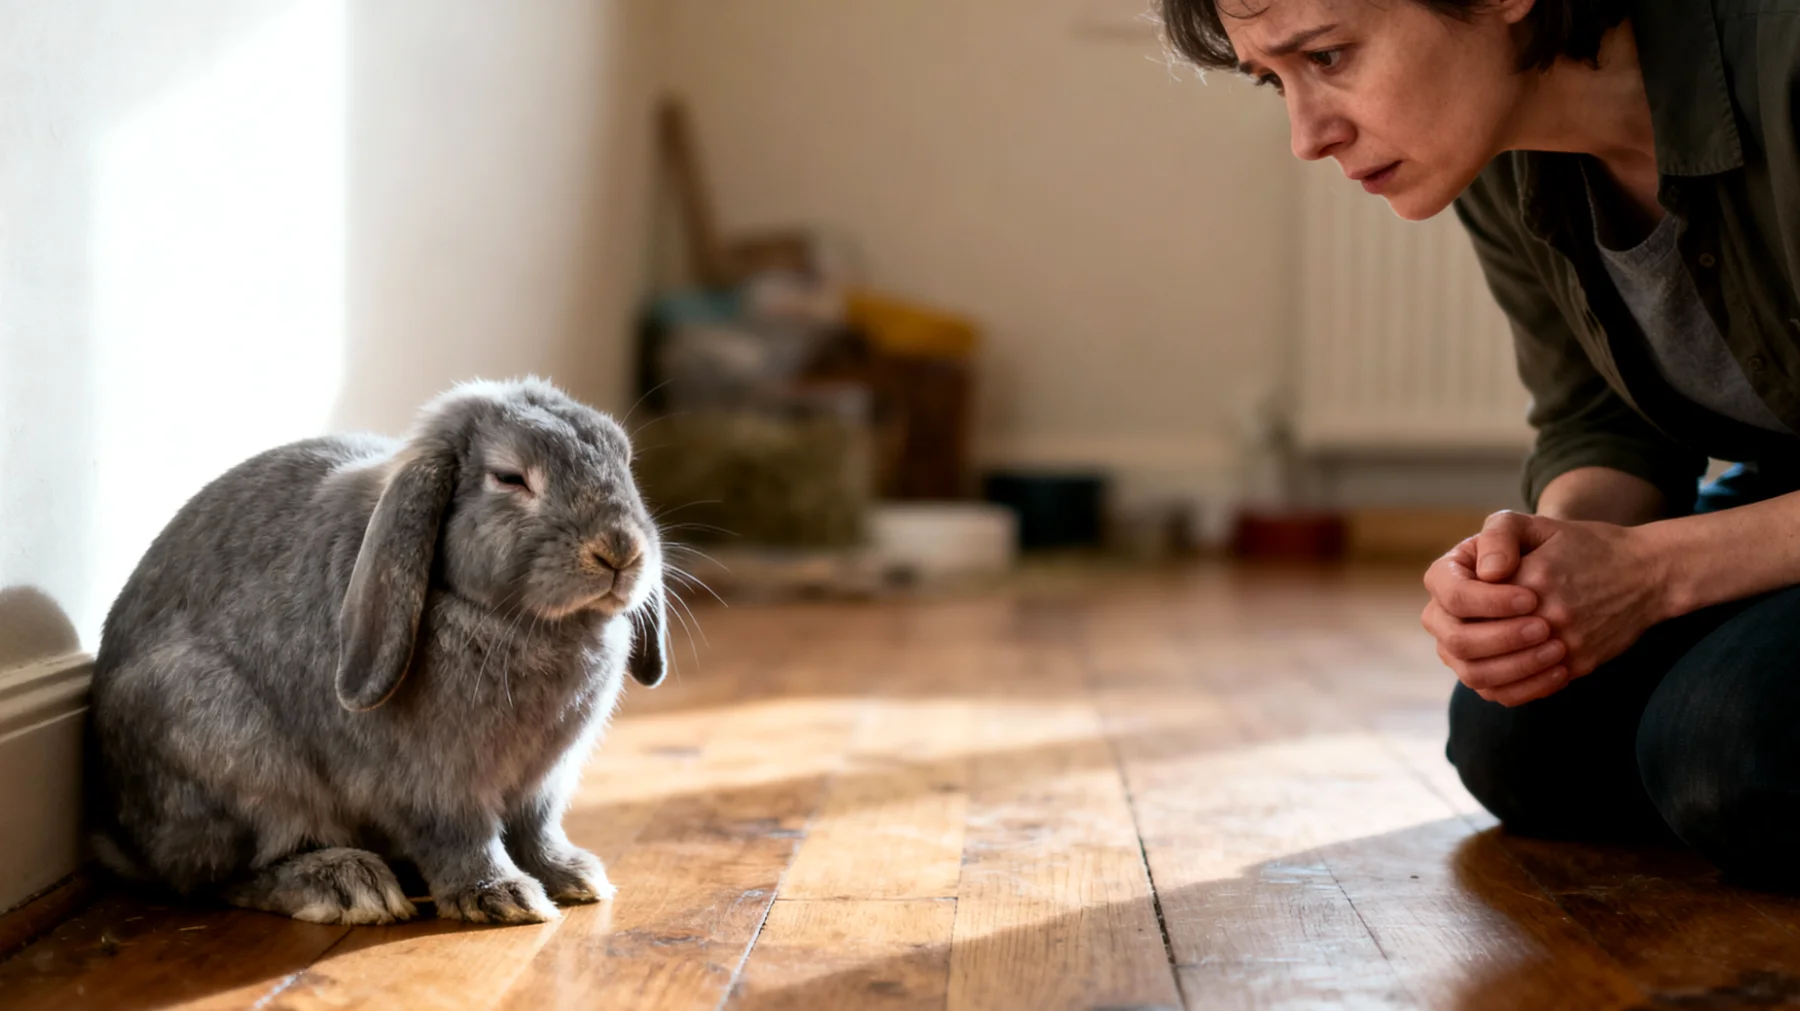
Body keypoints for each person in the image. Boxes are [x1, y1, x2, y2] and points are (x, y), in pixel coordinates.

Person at [1158, 0, 1800, 887]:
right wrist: (1546, 570)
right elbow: (1597, 419)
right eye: (1277, 82)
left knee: (1733, 750)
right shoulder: (1504, 155)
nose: (1307, 137)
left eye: (1331, 56)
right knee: (1524, 740)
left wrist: (1656, 571)